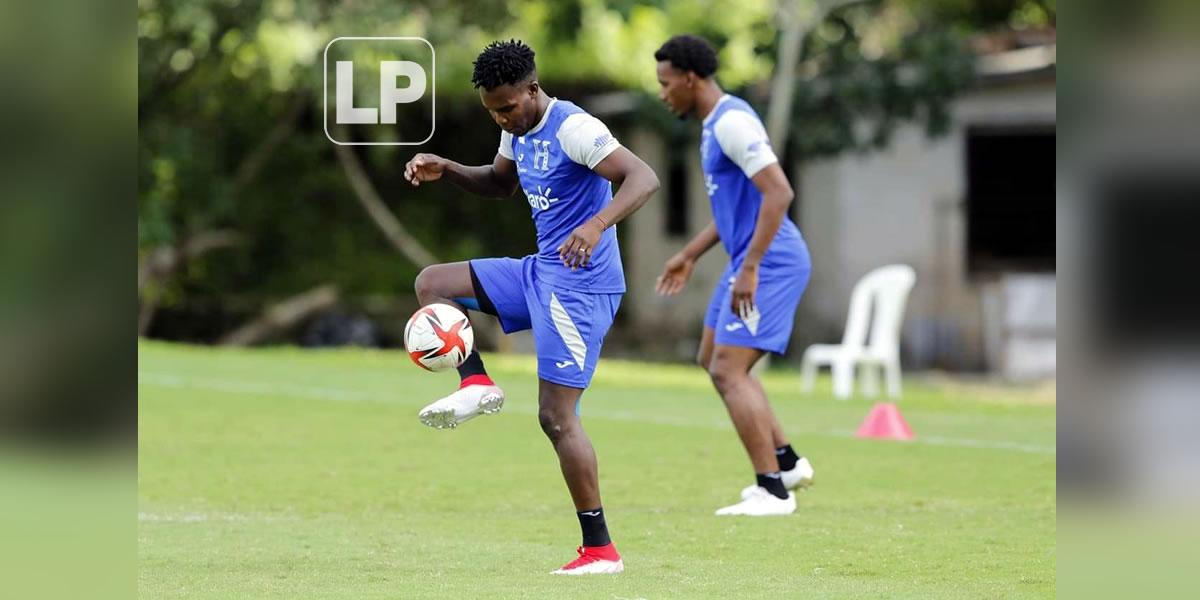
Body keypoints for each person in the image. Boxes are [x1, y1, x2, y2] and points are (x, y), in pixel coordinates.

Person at [403, 39, 659, 573]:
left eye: (507, 107)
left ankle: (600, 549)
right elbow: (500, 185)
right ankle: (475, 384)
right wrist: (446, 167)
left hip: (582, 287)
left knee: (556, 418)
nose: (502, 117)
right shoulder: (514, 127)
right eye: (492, 110)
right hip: (542, 271)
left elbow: (643, 178)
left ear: (532, 89)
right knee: (433, 284)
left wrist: (595, 224)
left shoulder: (575, 128)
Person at [652, 34, 814, 516]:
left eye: (665, 83)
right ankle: (785, 462)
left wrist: (751, 267)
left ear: (690, 78)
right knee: (713, 357)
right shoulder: (713, 124)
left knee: (728, 367)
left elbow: (779, 193)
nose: (663, 94)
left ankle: (772, 490)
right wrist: (690, 254)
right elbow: (734, 212)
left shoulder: (733, 123)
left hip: (772, 262)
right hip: (750, 259)